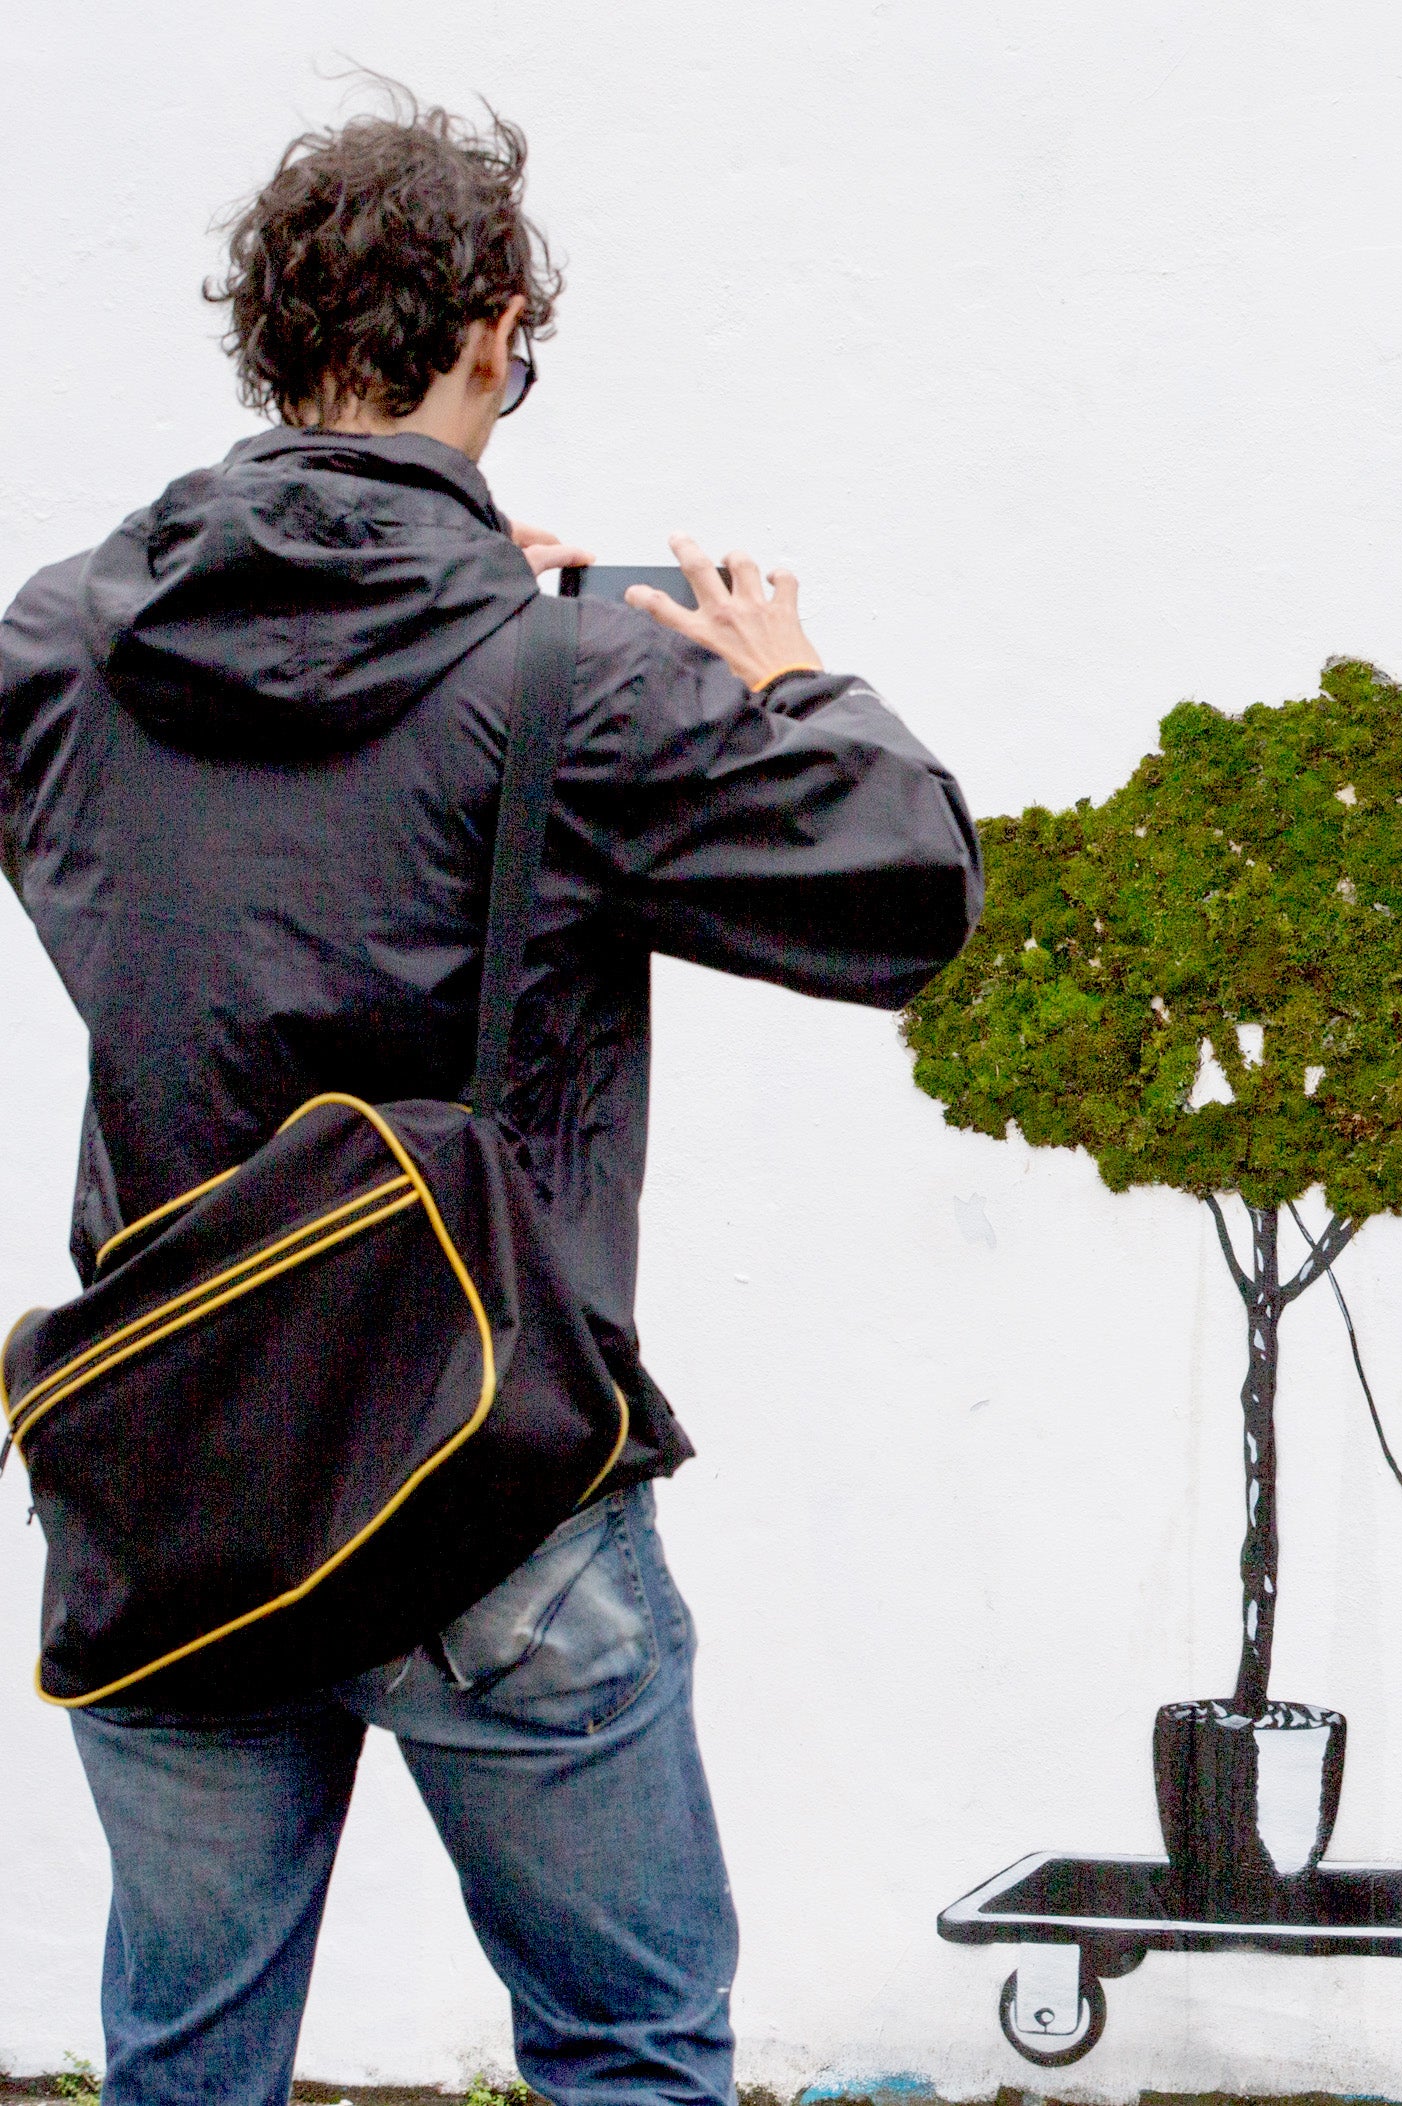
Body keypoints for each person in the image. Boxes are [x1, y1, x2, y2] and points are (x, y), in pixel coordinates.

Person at [0, 94, 981, 2106]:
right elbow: (905, 887)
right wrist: (786, 677)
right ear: (500, 333)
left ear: (269, 342)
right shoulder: (578, 687)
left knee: (182, 2071)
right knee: (625, 2051)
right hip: (493, 1508)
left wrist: (409, 599)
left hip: (174, 1477)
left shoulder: (65, 643)